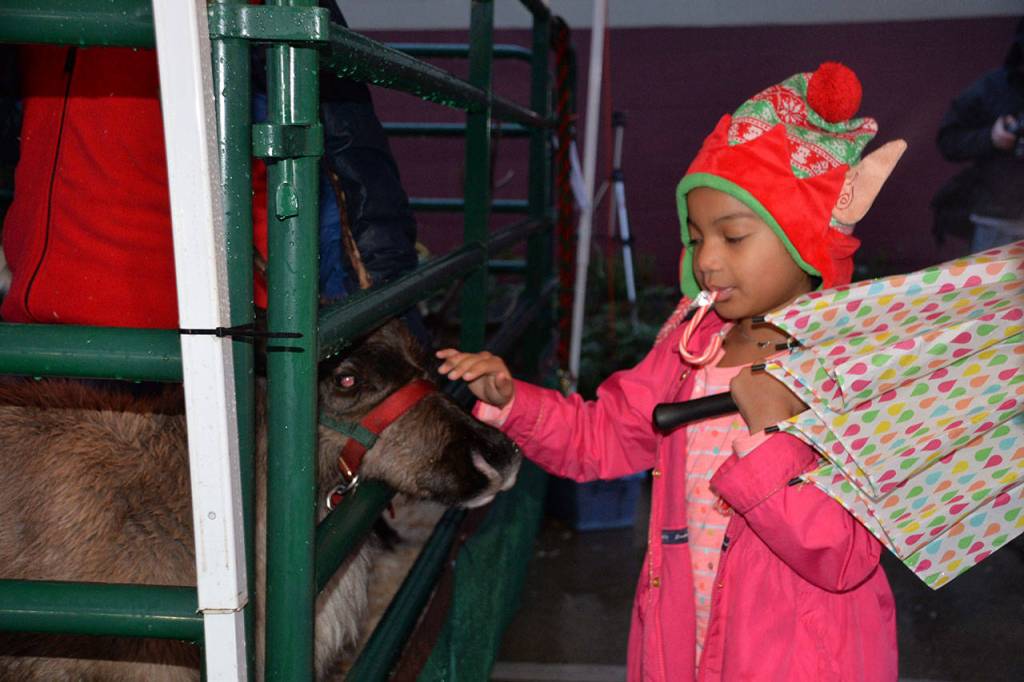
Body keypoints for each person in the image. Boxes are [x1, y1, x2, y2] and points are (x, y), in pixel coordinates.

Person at [438, 63, 904, 681]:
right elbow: (607, 436)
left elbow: (842, 556)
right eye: (695, 236)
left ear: (806, 238)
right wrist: (516, 401)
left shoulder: (848, 367)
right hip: (684, 633)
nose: (706, 260)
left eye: (733, 237)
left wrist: (770, 436)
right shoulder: (695, 344)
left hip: (797, 658)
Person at [932, 17, 1024, 249]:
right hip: (997, 220)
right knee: (993, 284)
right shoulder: (993, 87)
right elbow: (948, 140)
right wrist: (990, 138)